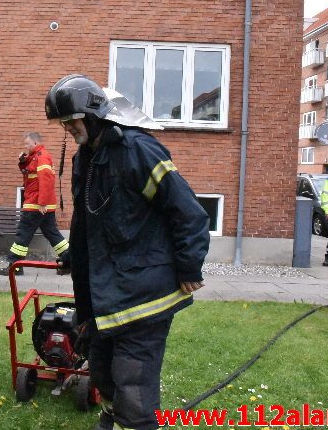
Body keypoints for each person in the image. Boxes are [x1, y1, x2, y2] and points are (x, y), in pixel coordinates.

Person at [44, 74, 210, 430]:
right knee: (102, 371)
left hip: (143, 294)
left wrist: (188, 266)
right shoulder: (85, 158)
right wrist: (75, 254)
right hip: (106, 295)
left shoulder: (137, 150)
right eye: (62, 124)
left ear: (92, 114)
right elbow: (90, 222)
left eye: (70, 121)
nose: (68, 129)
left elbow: (188, 212)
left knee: (133, 386)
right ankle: (113, 419)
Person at [0, 132, 69, 276]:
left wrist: (42, 202)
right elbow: (29, 173)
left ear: (35, 143)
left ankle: (15, 266)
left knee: (23, 234)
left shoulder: (42, 157)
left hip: (36, 205)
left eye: (27, 144)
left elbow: (46, 181)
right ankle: (70, 260)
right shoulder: (37, 157)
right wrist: (23, 161)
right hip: (41, 205)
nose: (25, 146)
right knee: (52, 234)